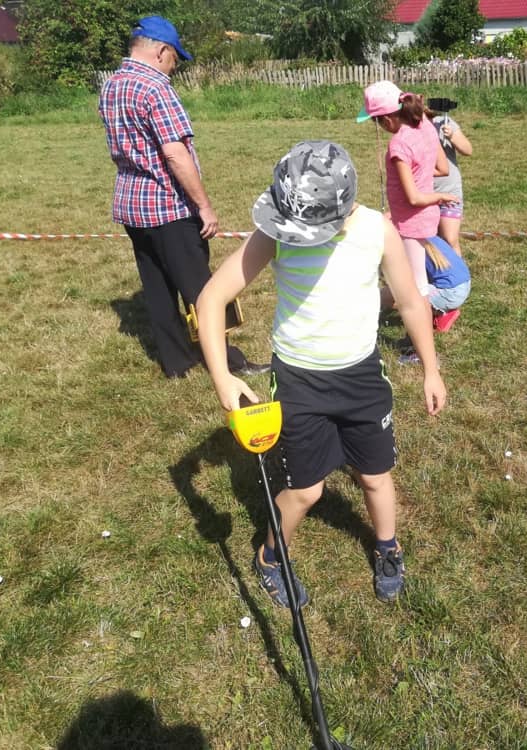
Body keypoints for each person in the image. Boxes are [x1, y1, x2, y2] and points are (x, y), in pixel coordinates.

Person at [196, 140, 447, 606]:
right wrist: (222, 377)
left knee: (375, 475)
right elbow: (211, 298)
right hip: (300, 382)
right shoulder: (278, 232)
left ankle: (388, 548)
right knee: (306, 490)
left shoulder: (377, 231)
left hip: (362, 379)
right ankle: (271, 556)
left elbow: (411, 302)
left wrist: (431, 369)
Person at [98, 15, 267, 380]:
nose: (174, 66)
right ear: (161, 51)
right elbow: (176, 155)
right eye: (175, 58)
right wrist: (204, 206)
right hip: (169, 208)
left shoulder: (111, 85)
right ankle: (228, 362)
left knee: (157, 289)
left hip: (133, 206)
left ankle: (176, 363)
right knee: (203, 289)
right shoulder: (156, 89)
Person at [357, 80, 457, 305]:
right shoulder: (424, 125)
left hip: (411, 222)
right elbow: (443, 168)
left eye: (377, 123)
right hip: (424, 218)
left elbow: (414, 197)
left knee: (416, 285)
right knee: (414, 277)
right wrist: (418, 173)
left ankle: (422, 324)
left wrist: (439, 196)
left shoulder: (399, 144)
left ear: (387, 120)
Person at [427, 105, 473, 256]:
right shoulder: (409, 131)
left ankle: (457, 270)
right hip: (424, 194)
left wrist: (452, 136)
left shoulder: (444, 123)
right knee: (431, 241)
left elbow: (468, 150)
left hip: (449, 190)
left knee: (450, 239)